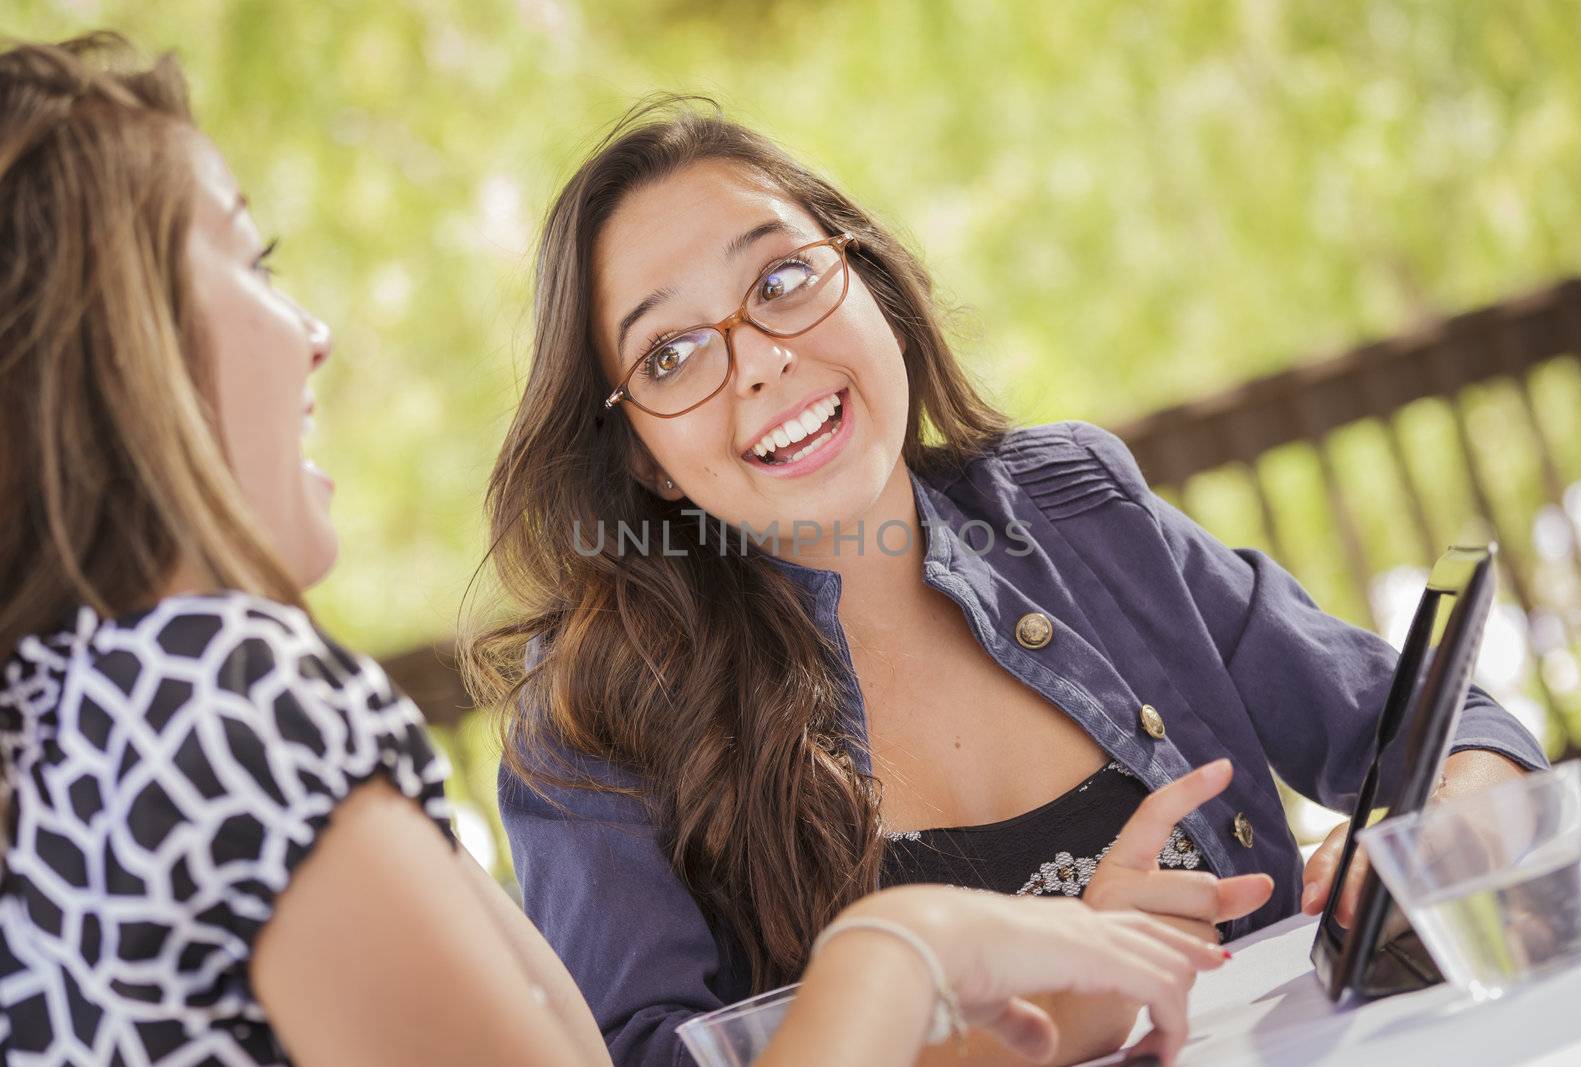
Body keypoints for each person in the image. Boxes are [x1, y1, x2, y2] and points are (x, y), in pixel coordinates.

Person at [0, 33, 1228, 1067]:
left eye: (786, 279)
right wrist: (908, 949)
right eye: (250, 260)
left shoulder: (66, 729)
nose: (311, 332)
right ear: (116, 349)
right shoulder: (216, 695)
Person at [467, 96, 1549, 1066]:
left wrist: (1440, 835)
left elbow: (1448, 729)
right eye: (668, 354)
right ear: (643, 454)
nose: (754, 358)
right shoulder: (590, 724)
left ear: (872, 286)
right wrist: (1038, 1016)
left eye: (783, 279)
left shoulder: (1078, 507)